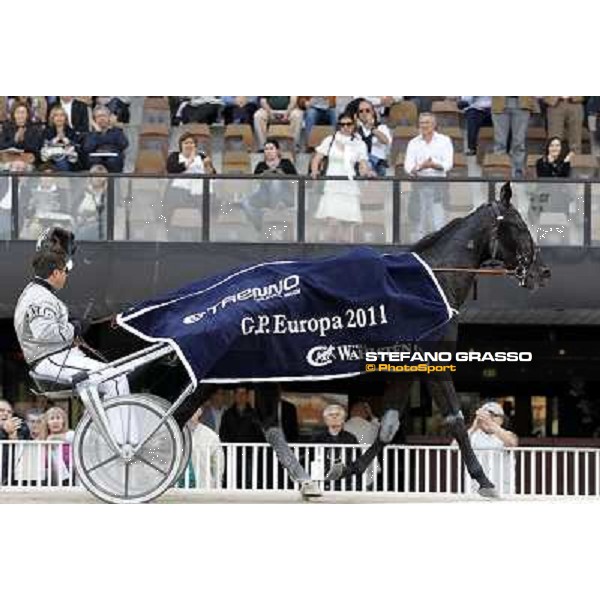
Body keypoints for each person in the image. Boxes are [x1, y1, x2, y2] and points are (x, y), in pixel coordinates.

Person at [13, 247, 130, 402]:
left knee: (107, 383)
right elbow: (44, 333)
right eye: (65, 271)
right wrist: (74, 328)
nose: (66, 276)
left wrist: (71, 325)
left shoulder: (35, 292)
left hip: (53, 357)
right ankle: (120, 428)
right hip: (51, 359)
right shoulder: (40, 297)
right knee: (116, 378)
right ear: (55, 273)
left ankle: (103, 425)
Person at [310, 112, 372, 243]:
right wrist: (314, 171)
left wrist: (367, 172)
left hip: (349, 187)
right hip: (332, 186)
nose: (345, 127)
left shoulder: (359, 143)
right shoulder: (330, 140)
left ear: (353, 125)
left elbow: (363, 163)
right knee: (332, 225)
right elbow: (317, 158)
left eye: (348, 124)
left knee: (348, 229)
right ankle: (329, 256)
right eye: (342, 124)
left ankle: (346, 260)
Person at [404, 112, 453, 240]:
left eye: (427, 122)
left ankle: (438, 246)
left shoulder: (444, 140)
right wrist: (422, 166)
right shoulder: (413, 142)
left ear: (434, 124)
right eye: (421, 123)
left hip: (439, 184)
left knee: (438, 219)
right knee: (419, 221)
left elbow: (448, 164)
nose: (424, 125)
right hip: (419, 184)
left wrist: (433, 165)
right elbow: (408, 167)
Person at [240, 138, 297, 237]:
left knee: (275, 181)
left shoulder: (286, 163)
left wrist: (282, 175)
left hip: (285, 197)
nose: (269, 151)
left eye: (271, 148)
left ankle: (273, 209)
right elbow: (254, 183)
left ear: (277, 151)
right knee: (244, 201)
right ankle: (260, 224)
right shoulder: (260, 165)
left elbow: (296, 181)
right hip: (264, 195)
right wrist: (263, 176)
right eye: (266, 149)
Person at [164, 132, 215, 234]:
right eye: (186, 143)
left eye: (191, 143)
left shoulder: (201, 156)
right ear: (181, 145)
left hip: (200, 190)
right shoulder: (174, 156)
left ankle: (204, 233)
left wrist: (207, 166)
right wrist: (190, 160)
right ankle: (171, 231)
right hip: (179, 189)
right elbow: (171, 169)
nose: (189, 145)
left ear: (195, 145)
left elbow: (212, 174)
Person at [465, 401, 518, 495]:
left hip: (502, 491)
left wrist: (491, 424)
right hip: (474, 491)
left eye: (494, 415)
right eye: (485, 415)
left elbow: (512, 443)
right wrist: (473, 427)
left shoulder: (507, 434)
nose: (489, 418)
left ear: (501, 420)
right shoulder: (472, 435)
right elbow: (454, 447)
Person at [491, 96, 536, 177]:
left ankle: (518, 169)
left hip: (522, 102)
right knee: (500, 141)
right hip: (500, 102)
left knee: (519, 140)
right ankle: (500, 167)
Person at [184, 406, 224, 489]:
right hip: (177, 490)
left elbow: (218, 466)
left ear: (200, 411)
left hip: (203, 488)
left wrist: (217, 487)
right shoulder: (174, 434)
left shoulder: (211, 436)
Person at [82, 105, 128, 172]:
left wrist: (112, 128)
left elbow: (124, 144)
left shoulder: (117, 131)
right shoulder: (91, 133)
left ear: (109, 117)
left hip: (113, 159)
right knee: (95, 161)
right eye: (98, 116)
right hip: (96, 160)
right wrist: (97, 133)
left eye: (104, 115)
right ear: (95, 119)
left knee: (112, 161)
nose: (102, 118)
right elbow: (87, 148)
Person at [355, 98, 392, 176]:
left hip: (378, 166)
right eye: (361, 111)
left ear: (373, 112)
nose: (364, 113)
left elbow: (386, 141)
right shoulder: (355, 130)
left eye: (367, 110)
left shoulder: (381, 127)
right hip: (360, 166)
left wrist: (372, 129)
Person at [0, 398, 31, 485]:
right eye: (1, 411)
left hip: (14, 479)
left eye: (9, 412)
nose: (5, 413)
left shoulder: (20, 426)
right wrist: (3, 430)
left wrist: (12, 435)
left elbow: (23, 451)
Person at [41, 406, 74, 486]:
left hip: (72, 477)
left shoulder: (70, 434)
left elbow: (76, 438)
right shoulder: (42, 440)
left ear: (63, 422)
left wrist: (54, 437)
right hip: (49, 480)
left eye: (58, 418)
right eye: (52, 418)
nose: (55, 421)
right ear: (47, 424)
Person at [40, 106, 81, 171]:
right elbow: (42, 147)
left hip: (69, 161)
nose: (59, 118)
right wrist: (54, 141)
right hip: (50, 160)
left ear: (65, 118)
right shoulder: (46, 132)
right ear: (52, 118)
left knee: (62, 163)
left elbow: (78, 148)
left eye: (62, 115)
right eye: (56, 115)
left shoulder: (71, 132)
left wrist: (68, 142)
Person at [76, 164, 109, 240]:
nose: (98, 178)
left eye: (101, 176)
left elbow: (106, 215)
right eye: (96, 175)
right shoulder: (82, 192)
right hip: (80, 222)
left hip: (97, 225)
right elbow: (73, 209)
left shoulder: (107, 194)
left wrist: (93, 218)